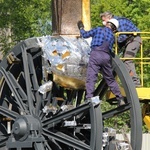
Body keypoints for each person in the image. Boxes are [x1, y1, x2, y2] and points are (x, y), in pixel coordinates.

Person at [77, 19, 125, 106]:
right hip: (106, 57)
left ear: (107, 24)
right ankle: (120, 98)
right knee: (110, 79)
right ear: (114, 29)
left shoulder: (98, 29)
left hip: (95, 55)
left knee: (91, 77)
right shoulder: (112, 36)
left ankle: (89, 97)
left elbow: (84, 35)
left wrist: (81, 28)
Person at [100, 11, 142, 87]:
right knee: (121, 62)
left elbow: (122, 36)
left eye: (104, 20)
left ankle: (135, 82)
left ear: (109, 18)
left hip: (134, 40)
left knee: (127, 60)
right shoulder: (113, 25)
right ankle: (128, 81)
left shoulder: (120, 22)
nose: (103, 23)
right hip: (127, 41)